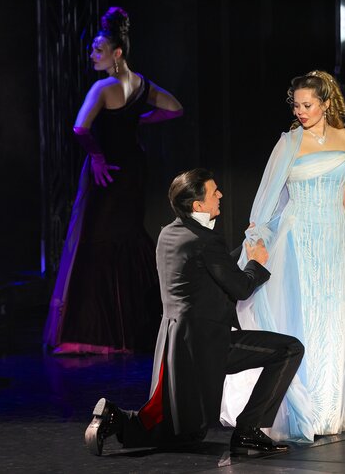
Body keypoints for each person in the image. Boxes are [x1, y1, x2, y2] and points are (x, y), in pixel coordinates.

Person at [84, 169, 304, 456]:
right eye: (214, 192)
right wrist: (257, 263)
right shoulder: (207, 241)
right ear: (198, 205)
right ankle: (248, 430)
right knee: (289, 349)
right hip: (207, 343)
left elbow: (212, 268)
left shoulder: (169, 233)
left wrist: (246, 246)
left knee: (180, 433)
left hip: (175, 343)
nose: (220, 195)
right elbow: (240, 288)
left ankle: (115, 418)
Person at [220, 70, 345, 441]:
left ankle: (329, 408)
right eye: (296, 105)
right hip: (299, 240)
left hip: (335, 239)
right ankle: (303, 408)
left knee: (334, 320)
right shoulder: (288, 143)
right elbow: (267, 196)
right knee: (304, 317)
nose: (300, 111)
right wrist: (257, 237)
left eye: (307, 105)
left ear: (326, 104)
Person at [43, 7, 184, 355]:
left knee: (98, 242)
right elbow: (174, 108)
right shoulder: (141, 84)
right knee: (127, 237)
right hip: (133, 169)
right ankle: (134, 331)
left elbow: (80, 128)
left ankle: (95, 334)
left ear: (117, 52)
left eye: (99, 49)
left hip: (108, 172)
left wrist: (97, 157)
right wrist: (137, 119)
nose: (92, 54)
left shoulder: (103, 87)